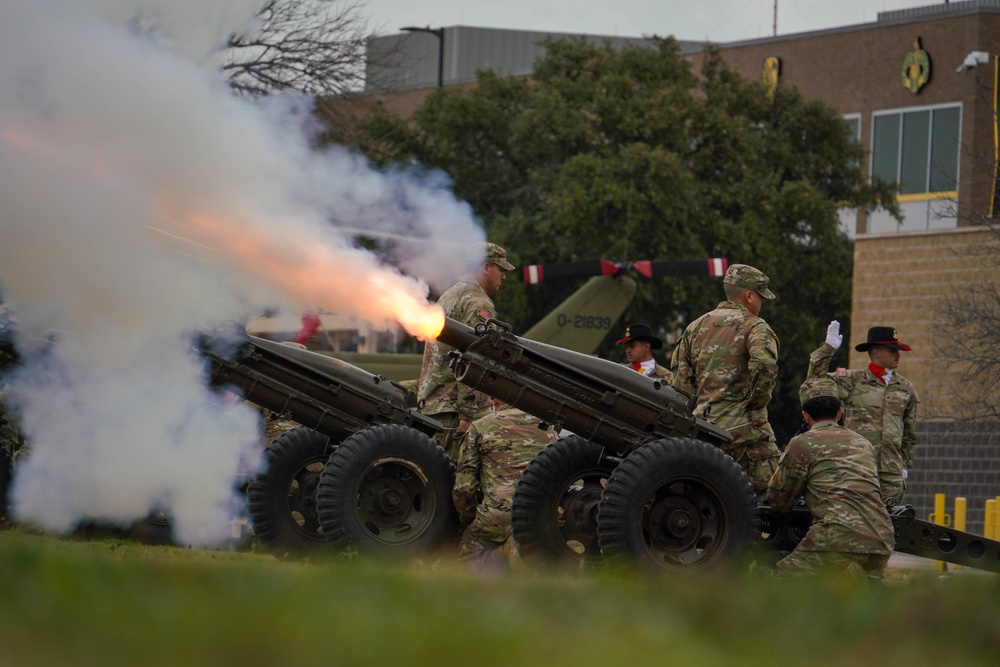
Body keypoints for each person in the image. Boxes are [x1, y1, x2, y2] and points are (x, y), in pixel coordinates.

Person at [669, 263, 781, 497]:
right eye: (761, 297)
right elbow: (765, 365)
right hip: (744, 432)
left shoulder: (694, 327)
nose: (762, 303)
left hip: (702, 431)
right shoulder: (755, 326)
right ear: (749, 295)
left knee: (704, 496)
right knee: (769, 495)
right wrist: (756, 406)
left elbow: (680, 384)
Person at [767, 377, 895, 578]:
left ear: (805, 416)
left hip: (837, 536)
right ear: (839, 413)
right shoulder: (863, 443)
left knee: (783, 581)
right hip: (881, 537)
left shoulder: (801, 443)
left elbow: (780, 502)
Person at [418, 242, 514, 461]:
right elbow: (471, 359)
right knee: (461, 481)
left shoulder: (449, 296)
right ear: (486, 267)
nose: (504, 276)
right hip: (457, 412)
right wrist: (467, 414)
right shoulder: (478, 302)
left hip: (436, 404)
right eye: (501, 269)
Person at [807, 322, 919, 505]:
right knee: (856, 520)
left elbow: (909, 433)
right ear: (876, 352)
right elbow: (814, 383)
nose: (898, 355)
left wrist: (904, 465)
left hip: (891, 473)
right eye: (892, 350)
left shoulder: (905, 389)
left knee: (891, 525)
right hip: (858, 467)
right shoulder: (852, 381)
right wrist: (827, 350)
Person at [452, 402, 558, 570]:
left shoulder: (480, 427)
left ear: (495, 400)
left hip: (496, 518)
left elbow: (464, 488)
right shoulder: (548, 429)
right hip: (538, 518)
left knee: (463, 565)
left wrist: (467, 518)